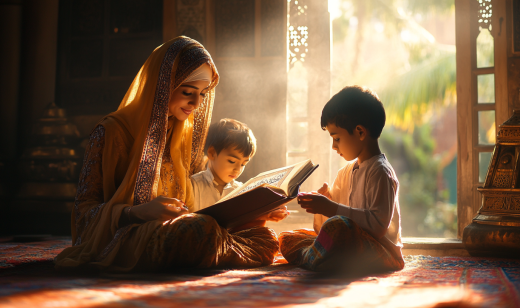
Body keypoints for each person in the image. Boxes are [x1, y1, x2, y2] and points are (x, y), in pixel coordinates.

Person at [55, 37, 279, 272]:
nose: (196, 103)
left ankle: (211, 249)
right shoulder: (111, 132)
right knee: (199, 232)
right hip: (129, 235)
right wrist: (137, 212)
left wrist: (255, 210)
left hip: (182, 228)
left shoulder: (183, 136)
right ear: (162, 85)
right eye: (187, 92)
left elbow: (197, 204)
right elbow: (83, 215)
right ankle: (212, 249)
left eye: (203, 94)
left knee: (263, 236)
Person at [278, 86, 404, 273]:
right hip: (349, 248)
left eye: (336, 138)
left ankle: (313, 258)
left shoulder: (380, 172)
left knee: (339, 228)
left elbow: (377, 227)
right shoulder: (345, 172)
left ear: (360, 132)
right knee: (288, 238)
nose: (333, 146)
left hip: (382, 252)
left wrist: (329, 207)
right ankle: (319, 258)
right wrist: (322, 204)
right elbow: (324, 228)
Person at [191, 119, 288, 222]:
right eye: (232, 161)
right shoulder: (193, 186)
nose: (238, 169)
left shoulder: (242, 192)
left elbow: (247, 219)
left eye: (243, 164)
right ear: (211, 153)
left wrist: (268, 213)